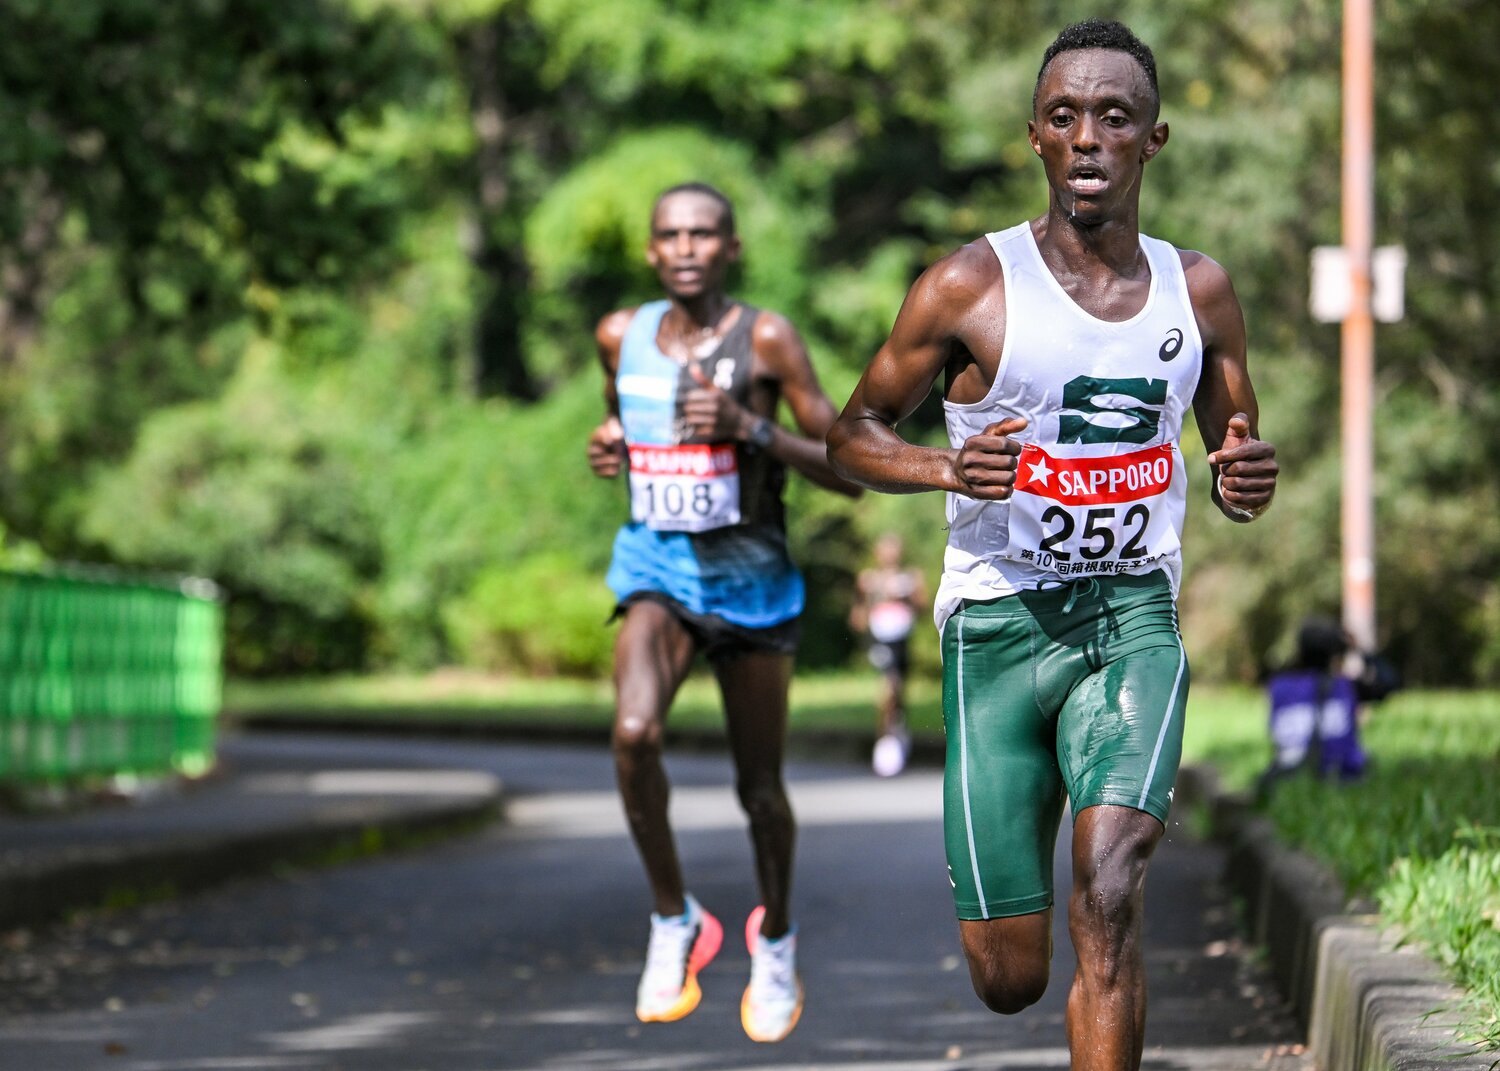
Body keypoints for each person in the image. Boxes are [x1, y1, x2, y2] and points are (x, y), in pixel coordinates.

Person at [826, 20, 1279, 1070]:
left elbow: (1237, 454)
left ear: (1151, 141)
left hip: (1131, 615)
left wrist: (1247, 479)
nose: (1088, 138)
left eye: (1113, 118)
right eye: (1066, 116)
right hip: (996, 626)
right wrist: (947, 467)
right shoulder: (967, 288)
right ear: (1034, 135)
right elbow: (851, 436)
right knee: (1009, 976)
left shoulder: (1196, 291)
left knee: (1112, 888)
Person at [586, 182, 858, 1043]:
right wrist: (609, 440)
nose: (687, 247)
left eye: (704, 233)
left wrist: (750, 426)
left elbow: (848, 465)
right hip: (658, 565)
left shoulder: (767, 337)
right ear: (650, 251)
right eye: (670, 234)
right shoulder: (620, 335)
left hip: (751, 583)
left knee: (759, 788)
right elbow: (620, 415)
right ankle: (676, 919)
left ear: (731, 247)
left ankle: (773, 935)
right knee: (633, 734)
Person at [1260, 617, 1395, 793]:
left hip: (1292, 775)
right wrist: (1361, 651)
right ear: (1335, 652)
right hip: (1343, 776)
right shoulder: (1346, 686)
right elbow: (1390, 683)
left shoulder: (1278, 686)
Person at [849, 533, 926, 776]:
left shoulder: (911, 578)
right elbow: (857, 619)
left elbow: (924, 609)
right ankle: (883, 742)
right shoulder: (868, 579)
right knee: (889, 687)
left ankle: (896, 735)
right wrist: (874, 598)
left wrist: (907, 597)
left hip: (902, 640)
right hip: (880, 640)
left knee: (899, 691)